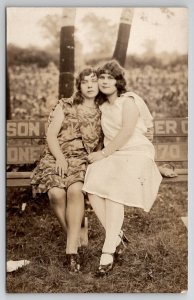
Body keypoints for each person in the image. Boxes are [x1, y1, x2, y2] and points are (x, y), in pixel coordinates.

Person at [82, 60, 162, 276]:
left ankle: (108, 251)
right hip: (116, 155)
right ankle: (115, 236)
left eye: (110, 77)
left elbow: (127, 132)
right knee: (92, 183)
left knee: (114, 190)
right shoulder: (101, 107)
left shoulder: (128, 100)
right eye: (101, 77)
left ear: (118, 82)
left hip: (136, 153)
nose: (105, 81)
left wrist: (103, 154)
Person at [31, 67, 103, 273]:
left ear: (99, 84)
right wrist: (60, 158)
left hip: (82, 159)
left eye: (93, 81)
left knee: (74, 190)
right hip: (56, 157)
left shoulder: (103, 109)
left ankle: (71, 251)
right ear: (79, 85)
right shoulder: (66, 105)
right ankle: (77, 233)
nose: (90, 85)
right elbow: (51, 136)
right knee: (55, 194)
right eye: (85, 82)